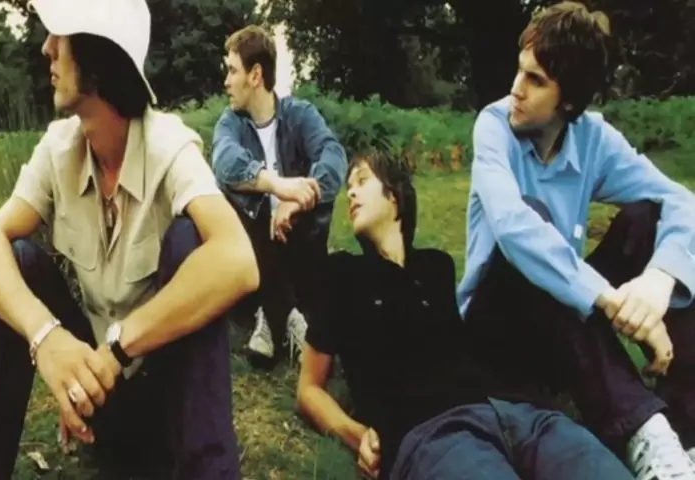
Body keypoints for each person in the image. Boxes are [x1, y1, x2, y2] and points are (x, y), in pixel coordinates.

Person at [0, 0, 258, 478]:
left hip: (169, 403)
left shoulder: (168, 145)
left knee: (193, 242)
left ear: (97, 56)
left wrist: (119, 349)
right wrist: (48, 340)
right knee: (18, 260)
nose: (47, 49)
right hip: (100, 396)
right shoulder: (59, 148)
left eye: (60, 37)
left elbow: (238, 261)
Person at [458, 2, 695, 479]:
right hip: (495, 323)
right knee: (537, 228)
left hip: (562, 325)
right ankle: (645, 434)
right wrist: (611, 299)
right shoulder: (494, 125)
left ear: (569, 101)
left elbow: (681, 201)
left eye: (535, 80)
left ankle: (685, 429)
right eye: (520, 71)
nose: (516, 88)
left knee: (647, 220)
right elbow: (513, 226)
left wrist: (659, 280)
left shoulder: (593, 139)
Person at [297, 151, 634, 480]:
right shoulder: (343, 274)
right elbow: (309, 388)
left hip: (521, 414)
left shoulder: (436, 268)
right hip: (434, 434)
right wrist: (357, 435)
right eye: (348, 187)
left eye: (361, 181)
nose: (350, 193)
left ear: (394, 196)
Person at [213, 25, 347, 365]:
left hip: (300, 242)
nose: (226, 81)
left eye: (232, 71)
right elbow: (224, 161)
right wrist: (276, 186)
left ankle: (269, 314)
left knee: (298, 215)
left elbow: (333, 156)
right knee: (245, 206)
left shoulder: (300, 115)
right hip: (256, 246)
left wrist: (295, 201)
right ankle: (285, 314)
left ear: (256, 74)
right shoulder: (231, 122)